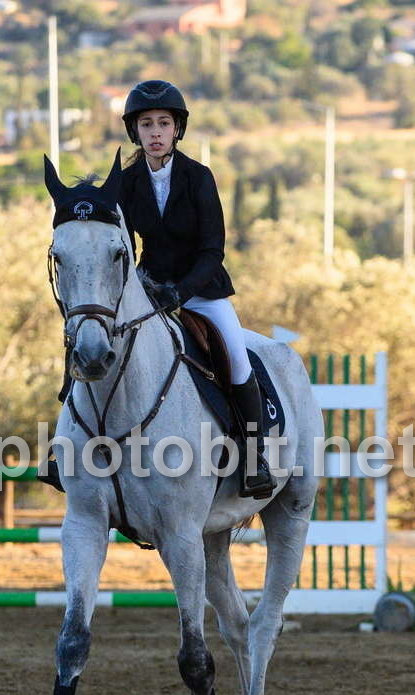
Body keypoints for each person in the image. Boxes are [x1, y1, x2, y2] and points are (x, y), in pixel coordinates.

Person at [118, 79, 275, 498]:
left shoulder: (198, 177)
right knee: (101, 343)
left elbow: (212, 250)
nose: (155, 132)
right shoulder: (127, 182)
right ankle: (75, 446)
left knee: (237, 360)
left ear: (177, 129)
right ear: (135, 131)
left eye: (163, 123)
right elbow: (123, 245)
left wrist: (181, 292)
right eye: (146, 124)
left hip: (203, 290)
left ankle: (254, 456)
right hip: (149, 291)